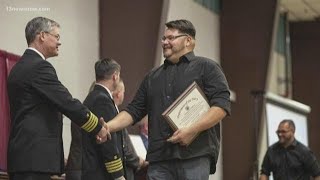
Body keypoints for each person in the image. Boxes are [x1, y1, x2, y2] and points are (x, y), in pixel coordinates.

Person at [106, 19, 231, 179]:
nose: (165, 42)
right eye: (164, 38)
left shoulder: (207, 68)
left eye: (171, 38)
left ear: (188, 40)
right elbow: (134, 110)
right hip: (160, 159)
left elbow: (221, 106)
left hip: (194, 156)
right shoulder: (152, 77)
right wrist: (107, 127)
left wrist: (191, 130)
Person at [6, 17, 110, 180]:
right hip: (35, 160)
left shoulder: (18, 68)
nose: (59, 42)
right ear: (42, 35)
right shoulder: (39, 67)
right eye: (57, 36)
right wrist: (98, 126)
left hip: (23, 157)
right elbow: (66, 102)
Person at [66, 58, 125, 180]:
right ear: (115, 76)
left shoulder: (92, 96)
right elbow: (107, 140)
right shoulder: (102, 100)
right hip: (101, 171)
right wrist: (118, 175)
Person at [112, 79, 148, 180]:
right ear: (119, 94)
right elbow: (123, 150)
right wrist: (138, 161)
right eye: (123, 92)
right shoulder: (114, 117)